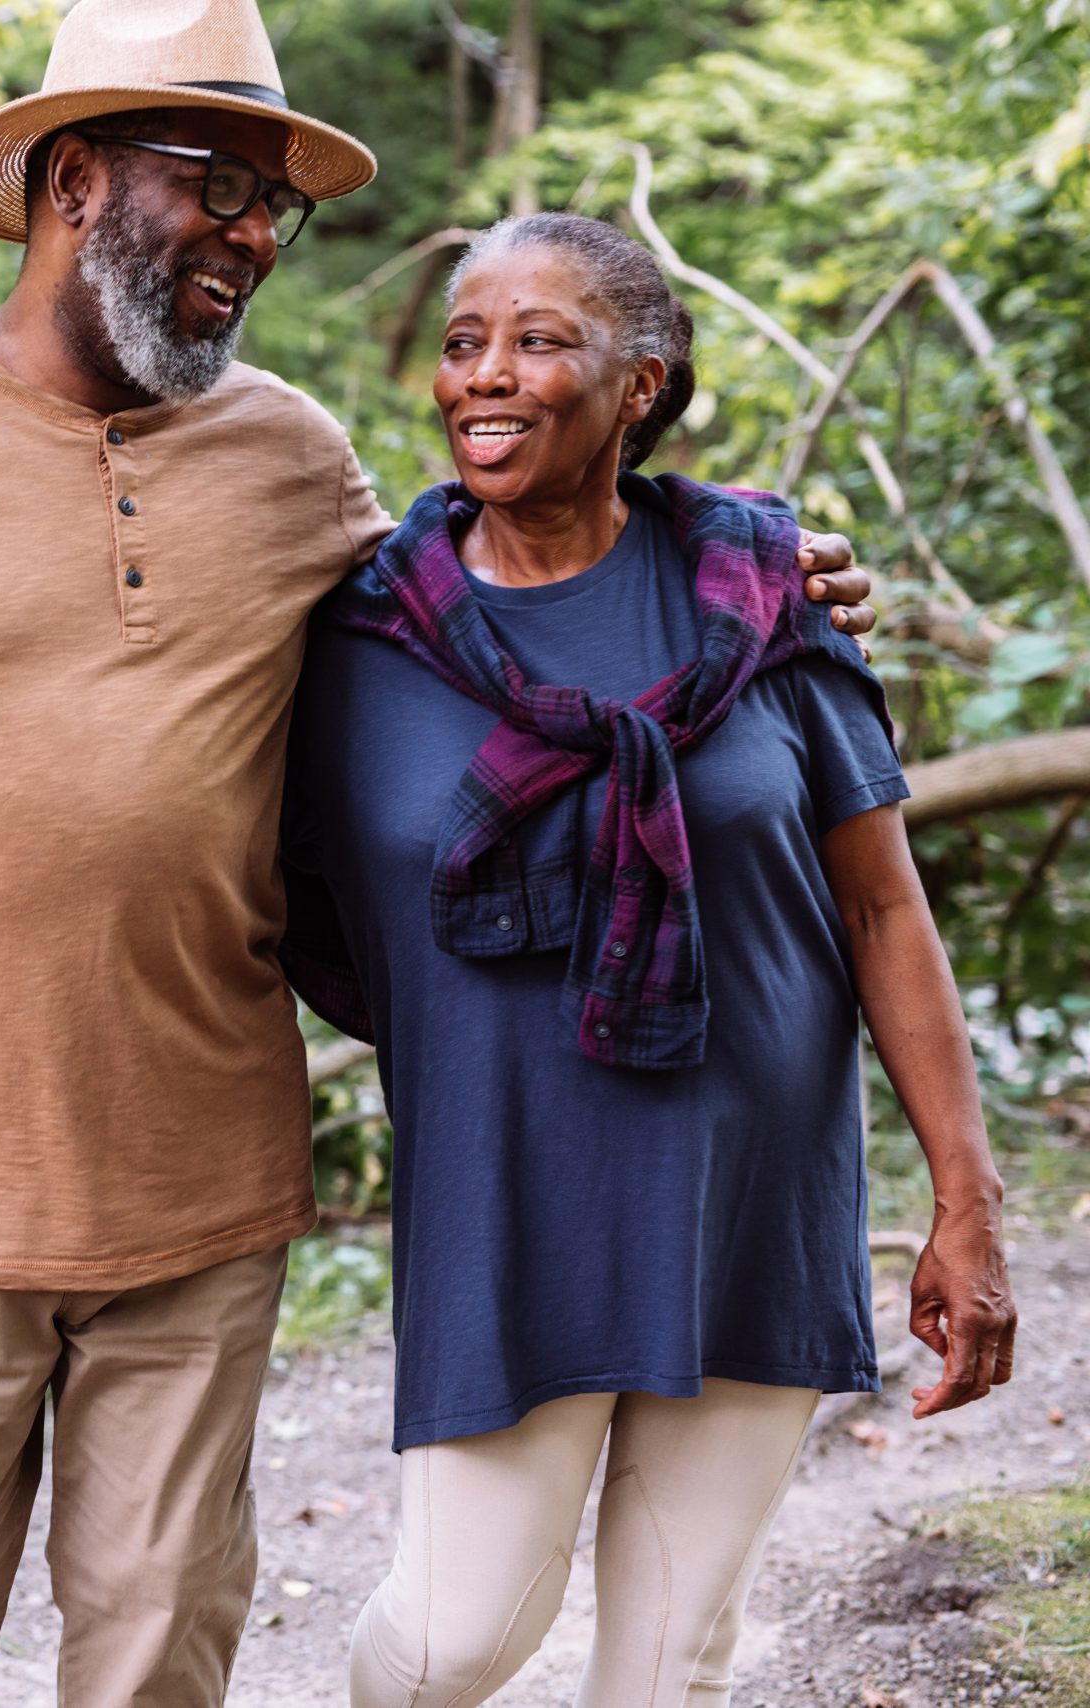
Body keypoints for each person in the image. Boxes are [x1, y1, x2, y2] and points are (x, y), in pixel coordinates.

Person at [0, 0, 871, 1697]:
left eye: (274, 208)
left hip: (200, 1183)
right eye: (215, 185)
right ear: (73, 178)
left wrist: (749, 565)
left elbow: (505, 603)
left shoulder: (294, 460)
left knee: (162, 1653)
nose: (252, 238)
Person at [275, 215, 1015, 1704]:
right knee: (448, 1643)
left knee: (670, 1661)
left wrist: (966, 1200)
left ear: (640, 386)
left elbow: (881, 909)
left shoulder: (763, 591)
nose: (487, 374)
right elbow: (198, 856)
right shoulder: (361, 635)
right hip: (504, 1202)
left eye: (540, 340)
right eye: (467, 339)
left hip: (748, 1188)